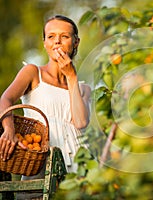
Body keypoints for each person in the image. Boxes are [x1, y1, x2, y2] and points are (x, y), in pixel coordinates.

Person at [0, 14, 91, 198]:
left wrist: (72, 76)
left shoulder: (83, 88)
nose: (57, 41)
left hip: (77, 165)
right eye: (51, 36)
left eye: (64, 36)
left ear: (76, 42)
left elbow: (80, 122)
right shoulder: (33, 72)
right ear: (44, 43)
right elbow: (6, 99)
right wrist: (8, 129)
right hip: (41, 162)